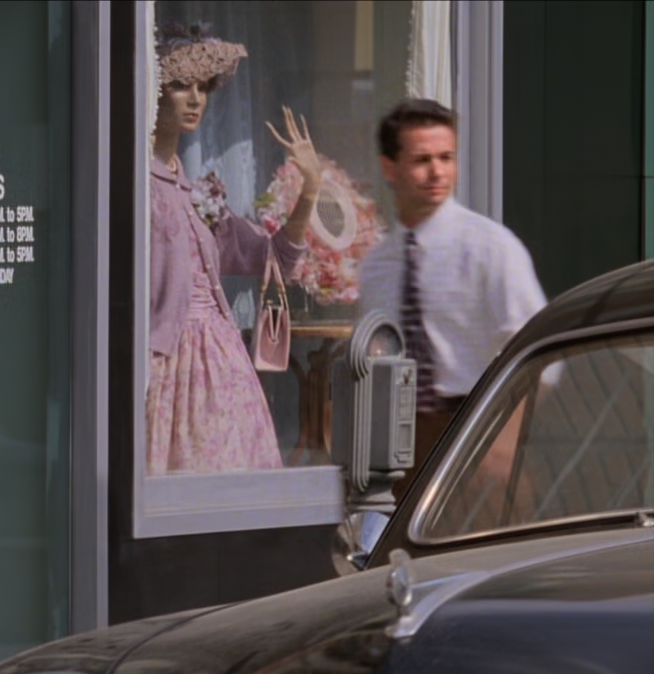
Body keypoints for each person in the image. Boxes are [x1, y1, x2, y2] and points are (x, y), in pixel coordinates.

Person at [147, 23, 323, 475]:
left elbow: (275, 260)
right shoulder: (136, 186)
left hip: (224, 366)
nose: (195, 98)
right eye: (180, 85)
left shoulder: (196, 192)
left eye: (203, 87)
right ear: (152, 91)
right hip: (167, 368)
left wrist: (310, 190)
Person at [358, 99, 546, 493]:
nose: (437, 172)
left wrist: (504, 440)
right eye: (422, 160)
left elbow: (540, 352)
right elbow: (373, 365)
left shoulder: (491, 248)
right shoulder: (377, 265)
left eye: (446, 157)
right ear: (389, 168)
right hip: (402, 447)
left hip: (477, 432)